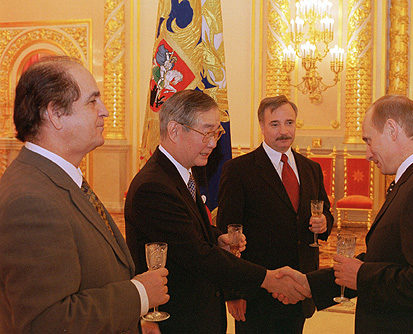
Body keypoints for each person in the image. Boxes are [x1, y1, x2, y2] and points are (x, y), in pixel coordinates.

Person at [0, 56, 169, 333]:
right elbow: (47, 322)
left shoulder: (56, 178)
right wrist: (139, 294)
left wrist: (134, 320)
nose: (104, 111)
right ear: (55, 114)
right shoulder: (31, 201)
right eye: (92, 101)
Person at [279, 95, 413, 333]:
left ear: (392, 129)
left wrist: (361, 275)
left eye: (369, 141)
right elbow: (388, 258)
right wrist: (310, 284)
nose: (368, 154)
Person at [124, 89, 310, 333]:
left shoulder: (182, 173)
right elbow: (197, 256)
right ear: (174, 130)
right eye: (207, 133)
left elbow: (185, 231)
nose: (213, 143)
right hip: (179, 320)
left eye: (217, 132)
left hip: (198, 314)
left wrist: (216, 238)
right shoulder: (154, 186)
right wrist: (268, 279)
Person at [217, 95, 334, 333]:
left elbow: (326, 214)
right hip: (258, 290)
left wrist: (324, 223)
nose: (284, 131)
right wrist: (234, 292)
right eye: (275, 124)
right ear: (261, 126)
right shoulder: (239, 170)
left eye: (289, 123)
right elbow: (228, 235)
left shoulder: (311, 169)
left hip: (301, 285)